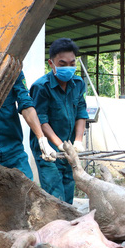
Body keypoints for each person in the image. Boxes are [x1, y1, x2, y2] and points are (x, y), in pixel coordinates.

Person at [29, 38, 89, 204]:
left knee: (69, 188)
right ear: (51, 63)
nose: (68, 68)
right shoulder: (41, 87)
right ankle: (55, 226)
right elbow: (41, 121)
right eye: (62, 64)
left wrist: (77, 141)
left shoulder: (78, 84)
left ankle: (66, 225)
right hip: (48, 150)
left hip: (69, 147)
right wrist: (59, 144)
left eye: (72, 63)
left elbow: (81, 113)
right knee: (56, 195)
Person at [0, 71, 56, 180]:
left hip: (14, 152)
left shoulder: (13, 70)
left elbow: (25, 103)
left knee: (28, 189)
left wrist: (41, 139)